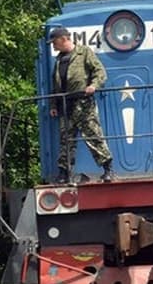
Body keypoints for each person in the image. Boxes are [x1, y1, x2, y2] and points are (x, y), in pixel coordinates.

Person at [47, 26, 113, 183]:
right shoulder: (58, 60)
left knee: (93, 135)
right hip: (65, 105)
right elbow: (55, 86)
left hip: (83, 103)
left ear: (64, 39)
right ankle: (64, 173)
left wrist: (94, 85)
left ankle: (108, 169)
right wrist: (53, 105)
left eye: (54, 42)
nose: (53, 46)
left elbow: (100, 72)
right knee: (66, 141)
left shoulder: (84, 53)